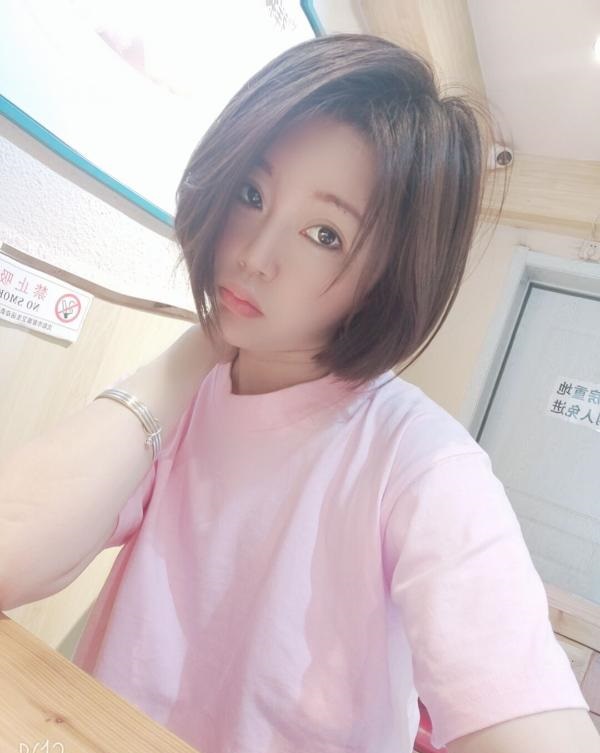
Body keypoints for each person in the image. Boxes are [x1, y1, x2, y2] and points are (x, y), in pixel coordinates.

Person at [1, 33, 592, 753]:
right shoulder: (192, 393)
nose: (253, 255)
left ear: (388, 278)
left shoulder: (422, 464)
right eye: (251, 194)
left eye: (324, 234)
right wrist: (195, 349)